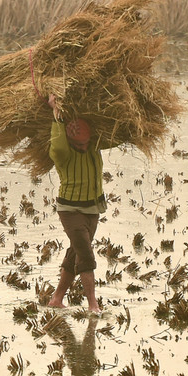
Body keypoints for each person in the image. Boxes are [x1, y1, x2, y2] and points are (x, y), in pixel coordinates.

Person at [46, 93, 106, 315]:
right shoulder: (61, 152)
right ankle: (93, 304)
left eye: (86, 141)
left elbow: (113, 137)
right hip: (70, 209)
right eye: (78, 143)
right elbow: (59, 142)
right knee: (86, 254)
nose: (83, 146)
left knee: (75, 252)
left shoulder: (93, 146)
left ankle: (56, 299)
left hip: (93, 208)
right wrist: (56, 114)